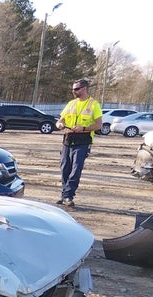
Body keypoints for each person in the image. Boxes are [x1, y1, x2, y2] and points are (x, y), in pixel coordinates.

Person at [54, 78, 103, 207]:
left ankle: (68, 196)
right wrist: (59, 124)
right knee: (65, 168)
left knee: (75, 170)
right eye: (73, 89)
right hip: (67, 139)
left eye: (76, 89)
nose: (73, 91)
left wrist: (84, 129)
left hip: (83, 141)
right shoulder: (71, 104)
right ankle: (65, 194)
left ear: (84, 88)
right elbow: (61, 120)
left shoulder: (94, 104)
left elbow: (98, 125)